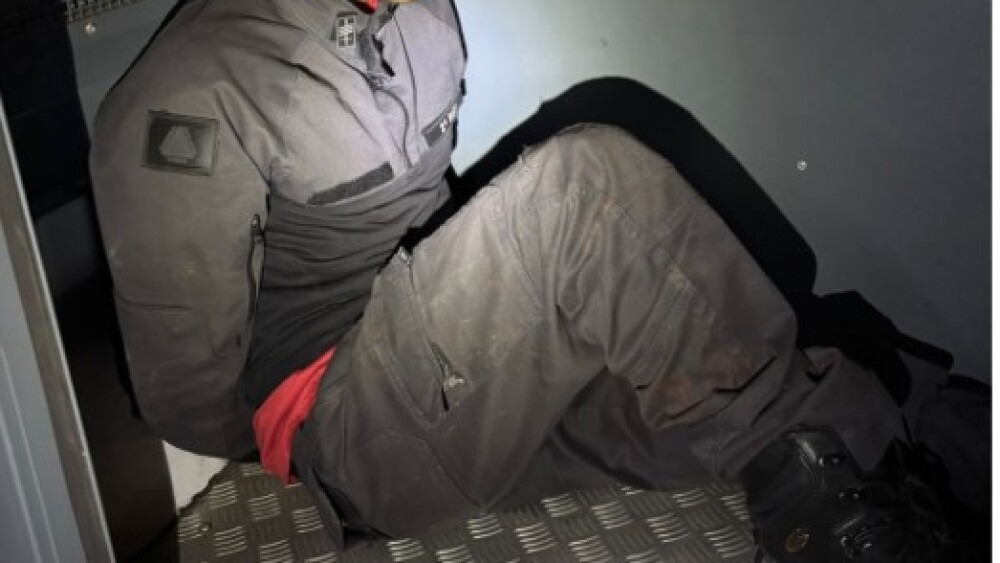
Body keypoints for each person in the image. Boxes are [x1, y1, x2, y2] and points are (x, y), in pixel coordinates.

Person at [90, 1, 955, 561]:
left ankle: (882, 463)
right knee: (582, 187)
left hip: (458, 385)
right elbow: (184, 398)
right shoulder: (192, 90)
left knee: (776, 352)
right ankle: (840, 523)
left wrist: (490, 338)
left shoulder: (416, 14)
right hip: (347, 428)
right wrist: (316, 456)